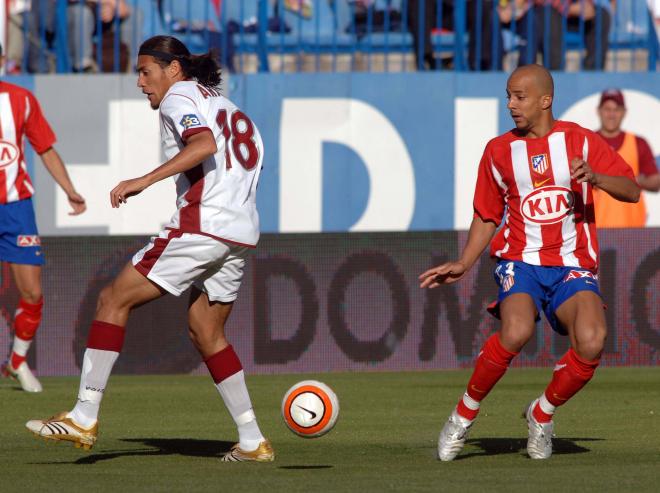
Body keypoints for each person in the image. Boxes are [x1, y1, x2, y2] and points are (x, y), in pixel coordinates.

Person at [25, 35, 274, 463]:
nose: (140, 82)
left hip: (203, 225)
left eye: (145, 71)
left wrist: (143, 180)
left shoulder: (179, 96)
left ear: (173, 69)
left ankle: (84, 415)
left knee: (111, 299)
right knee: (206, 330)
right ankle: (252, 440)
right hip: (241, 231)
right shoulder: (227, 106)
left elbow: (204, 146)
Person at [420, 64, 639, 461]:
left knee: (592, 341)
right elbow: (488, 214)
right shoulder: (498, 150)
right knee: (517, 329)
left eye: (519, 97)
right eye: (508, 96)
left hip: (572, 264)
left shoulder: (581, 141)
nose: (510, 105)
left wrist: (597, 179)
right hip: (520, 261)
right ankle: (463, 415)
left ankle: (542, 413)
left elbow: (632, 190)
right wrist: (465, 262)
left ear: (545, 100)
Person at [0, 42, 87, 392]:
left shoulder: (21, 99)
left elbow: (45, 148)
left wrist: (70, 189)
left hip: (16, 207)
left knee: (32, 293)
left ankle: (17, 362)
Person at [594, 88, 660, 227]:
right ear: (599, 111)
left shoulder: (637, 143)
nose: (611, 114)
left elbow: (655, 181)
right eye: (607, 109)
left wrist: (631, 182)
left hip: (632, 229)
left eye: (616, 109)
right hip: (595, 229)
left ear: (624, 112)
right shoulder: (588, 142)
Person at [567, 0, 613, 70]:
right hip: (558, 13)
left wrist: (585, 6)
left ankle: (592, 71)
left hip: (583, 12)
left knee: (602, 15)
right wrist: (569, 8)